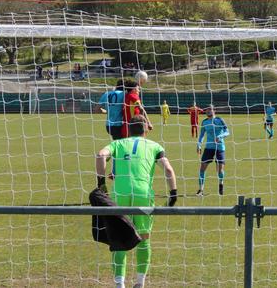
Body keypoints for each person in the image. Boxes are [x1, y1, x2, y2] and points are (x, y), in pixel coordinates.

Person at [96, 115, 177, 288]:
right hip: (143, 196)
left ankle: (120, 285)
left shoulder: (118, 144)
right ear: (146, 129)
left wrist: (101, 183)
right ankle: (140, 283)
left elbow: (100, 155)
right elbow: (169, 170)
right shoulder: (155, 146)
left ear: (128, 128)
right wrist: (173, 194)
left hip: (120, 196)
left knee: (118, 239)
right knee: (144, 238)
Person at [196, 105, 229, 196]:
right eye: (206, 109)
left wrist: (220, 136)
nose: (208, 111)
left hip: (220, 147)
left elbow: (227, 131)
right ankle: (201, 189)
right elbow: (202, 135)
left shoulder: (220, 120)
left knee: (220, 170)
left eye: (210, 109)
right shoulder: (204, 122)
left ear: (214, 110)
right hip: (209, 147)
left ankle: (221, 184)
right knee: (202, 168)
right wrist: (198, 145)